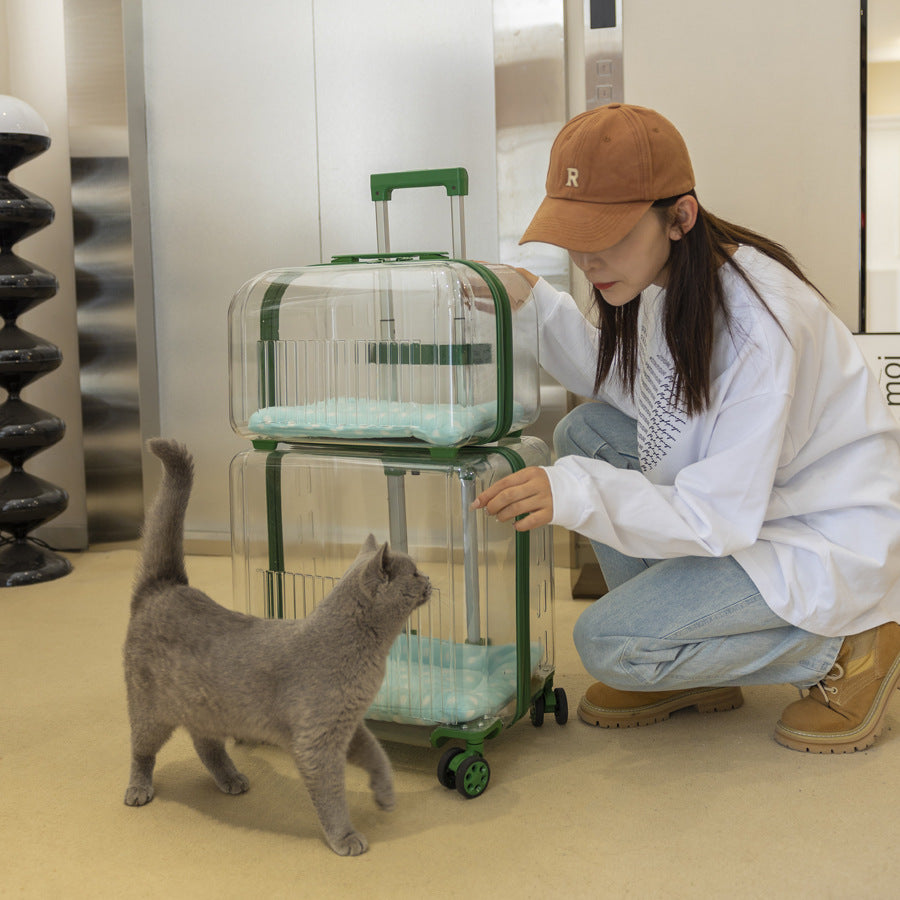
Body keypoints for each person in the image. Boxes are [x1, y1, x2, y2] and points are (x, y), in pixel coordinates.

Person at [473, 103, 900, 753]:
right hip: (754, 506)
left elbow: (717, 516)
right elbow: (648, 396)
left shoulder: (760, 324)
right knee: (586, 433)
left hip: (819, 532)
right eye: (576, 235)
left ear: (680, 216)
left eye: (609, 234)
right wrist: (532, 302)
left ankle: (850, 645)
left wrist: (574, 493)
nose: (588, 258)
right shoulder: (669, 281)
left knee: (606, 644)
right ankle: (680, 660)